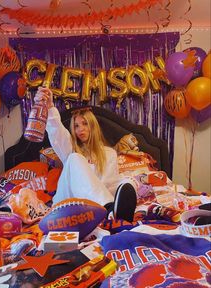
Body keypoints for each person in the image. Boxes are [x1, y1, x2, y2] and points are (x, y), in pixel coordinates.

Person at [33, 86, 137, 222]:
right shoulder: (70, 149)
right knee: (75, 158)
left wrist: (128, 184)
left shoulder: (109, 153)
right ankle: (110, 210)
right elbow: (57, 133)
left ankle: (113, 210)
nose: (80, 129)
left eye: (84, 124)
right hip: (67, 201)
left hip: (93, 205)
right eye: (76, 126)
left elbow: (109, 183)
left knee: (127, 181)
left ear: (92, 126)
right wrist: (50, 108)